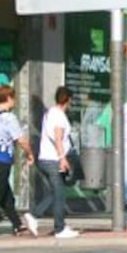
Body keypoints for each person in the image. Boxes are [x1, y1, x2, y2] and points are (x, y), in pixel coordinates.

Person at [0, 84, 35, 236]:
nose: (14, 102)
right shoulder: (9, 117)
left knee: (4, 193)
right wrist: (29, 153)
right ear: (9, 98)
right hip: (0, 159)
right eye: (13, 98)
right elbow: (21, 139)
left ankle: (17, 224)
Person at [30, 86, 80, 238]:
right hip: (54, 160)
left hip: (46, 158)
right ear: (68, 100)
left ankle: (34, 215)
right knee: (59, 194)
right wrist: (62, 158)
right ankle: (59, 228)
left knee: (55, 191)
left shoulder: (50, 113)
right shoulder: (59, 116)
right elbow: (58, 138)